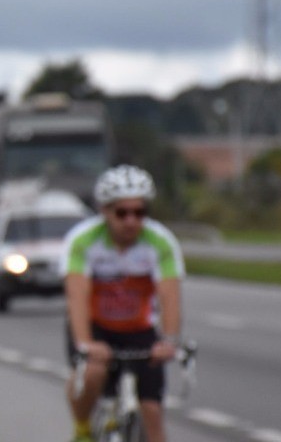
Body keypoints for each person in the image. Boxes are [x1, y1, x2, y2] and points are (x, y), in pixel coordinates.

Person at [61, 165, 185, 442]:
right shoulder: (82, 241)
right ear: (105, 211)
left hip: (138, 329)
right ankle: (82, 430)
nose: (131, 221)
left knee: (152, 413)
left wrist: (170, 340)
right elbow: (77, 296)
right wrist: (85, 343)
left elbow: (170, 295)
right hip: (96, 327)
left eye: (139, 212)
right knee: (92, 372)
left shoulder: (160, 242)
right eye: (122, 213)